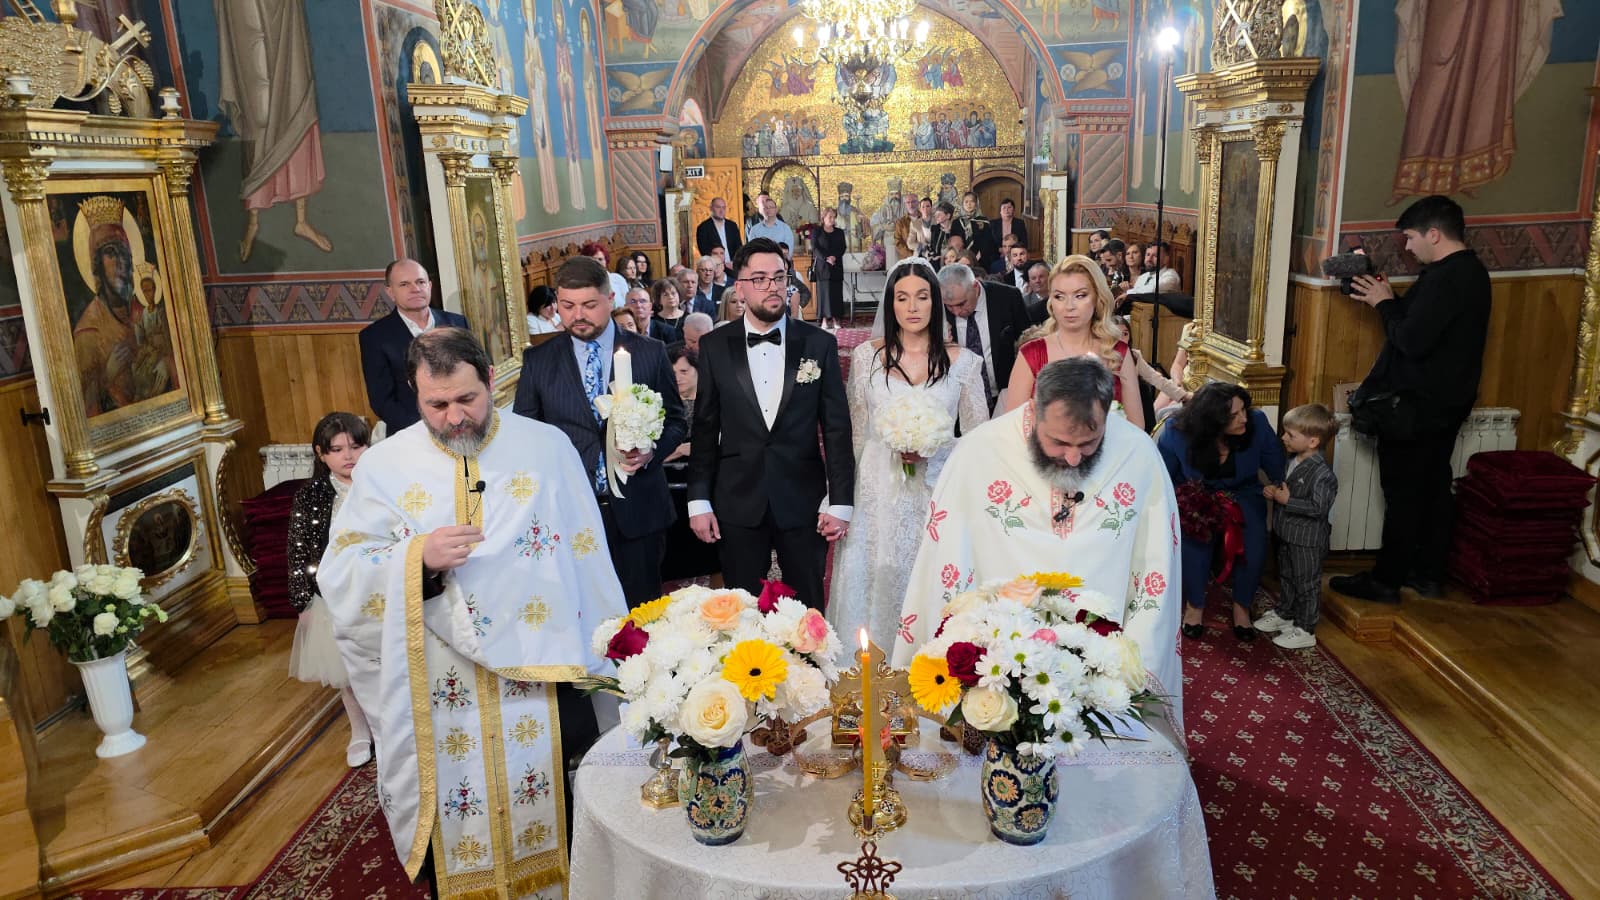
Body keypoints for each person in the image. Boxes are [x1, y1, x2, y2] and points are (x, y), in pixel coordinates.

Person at [319, 328, 626, 898]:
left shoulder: (546, 447)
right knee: (453, 803)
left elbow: (587, 555)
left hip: (541, 665)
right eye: (437, 405)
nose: (455, 417)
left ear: (491, 381)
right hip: (440, 676)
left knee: (559, 798)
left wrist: (608, 652)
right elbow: (342, 571)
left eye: (467, 399)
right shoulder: (384, 465)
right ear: (415, 395)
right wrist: (418, 558)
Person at [893, 358, 1183, 730]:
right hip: (998, 663)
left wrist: (1135, 661)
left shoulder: (1137, 454)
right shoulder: (980, 452)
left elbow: (1156, 568)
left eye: (1089, 443)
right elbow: (946, 561)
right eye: (1059, 442)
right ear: (1034, 408)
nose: (1073, 457)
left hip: (1100, 660)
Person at [1331, 195, 1491, 604]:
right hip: (1446, 402)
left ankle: (1386, 580)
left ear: (1433, 234)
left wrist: (1384, 304)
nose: (1407, 246)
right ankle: (1427, 573)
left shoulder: (1445, 279)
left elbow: (1411, 341)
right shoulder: (1470, 272)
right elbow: (1427, 329)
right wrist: (1389, 300)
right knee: (1433, 489)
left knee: (1403, 494)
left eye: (1410, 237)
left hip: (1415, 407)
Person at [687, 237, 855, 609]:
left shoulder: (818, 344)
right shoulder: (715, 346)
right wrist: (698, 500)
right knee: (741, 613)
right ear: (740, 289)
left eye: (779, 277)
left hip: (802, 498)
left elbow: (837, 429)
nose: (773, 287)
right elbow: (705, 428)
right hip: (737, 499)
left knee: (807, 611)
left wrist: (841, 501)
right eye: (760, 279)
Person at [830, 259, 988, 643]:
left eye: (921, 297)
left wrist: (933, 447)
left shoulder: (964, 363)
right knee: (876, 576)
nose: (912, 307)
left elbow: (979, 440)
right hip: (876, 492)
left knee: (930, 576)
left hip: (935, 492)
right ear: (891, 304)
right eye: (902, 298)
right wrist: (839, 497)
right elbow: (856, 434)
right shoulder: (866, 357)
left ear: (936, 302)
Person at [515, 256, 687, 607]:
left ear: (610, 299)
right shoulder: (539, 361)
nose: (577, 315)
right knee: (584, 612)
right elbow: (526, 435)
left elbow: (676, 421)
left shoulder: (650, 353)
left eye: (589, 305)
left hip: (638, 508)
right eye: (567, 306)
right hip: (571, 512)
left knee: (642, 614)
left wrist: (651, 452)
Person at [1157, 382, 1286, 642]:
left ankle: (1242, 607)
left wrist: (1282, 486)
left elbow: (1276, 464)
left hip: (1243, 492)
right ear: (1212, 419)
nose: (1244, 418)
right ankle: (1195, 606)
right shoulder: (1176, 431)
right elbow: (1163, 476)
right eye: (1234, 415)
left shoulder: (1257, 423)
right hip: (1198, 494)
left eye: (1244, 410)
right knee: (1194, 543)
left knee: (1255, 541)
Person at [286, 411, 374, 768]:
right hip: (333, 596)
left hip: (378, 589)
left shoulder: (382, 484)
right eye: (337, 450)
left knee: (383, 665)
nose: (348, 456)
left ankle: (390, 727)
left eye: (356, 446)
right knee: (345, 670)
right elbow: (298, 550)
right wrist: (303, 602)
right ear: (321, 454)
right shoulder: (312, 496)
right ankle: (359, 730)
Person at [1005, 255, 1143, 427]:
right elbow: (1012, 426)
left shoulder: (1117, 352)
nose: (1069, 306)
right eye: (1059, 296)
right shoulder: (1032, 353)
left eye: (1080, 295)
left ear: (1097, 297)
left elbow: (1137, 426)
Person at [1255, 403, 1339, 650]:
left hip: (1307, 540)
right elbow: (1285, 487)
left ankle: (1305, 628)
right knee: (1288, 576)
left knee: (1306, 583)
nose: (1283, 437)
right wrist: (1274, 491)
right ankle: (1286, 613)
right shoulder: (1291, 460)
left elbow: (1318, 508)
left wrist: (1287, 501)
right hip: (1286, 533)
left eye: (1290, 435)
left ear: (1313, 442)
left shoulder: (1323, 474)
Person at [360, 258, 468, 435]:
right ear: (390, 292)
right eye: (404, 284)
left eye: (420, 282)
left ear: (429, 286)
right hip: (412, 433)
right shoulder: (374, 337)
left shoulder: (457, 323)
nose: (415, 289)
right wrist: (423, 430)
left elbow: (476, 375)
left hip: (464, 425)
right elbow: (381, 400)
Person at [937, 263, 1029, 413]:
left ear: (975, 287)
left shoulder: (1008, 297)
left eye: (961, 304)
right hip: (960, 403)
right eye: (949, 306)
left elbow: (1027, 341)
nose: (956, 312)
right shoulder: (938, 310)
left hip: (1006, 395)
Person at [812, 206, 847, 331]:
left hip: (836, 266)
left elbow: (842, 247)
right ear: (823, 218)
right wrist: (826, 258)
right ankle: (824, 320)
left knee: (836, 294)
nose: (832, 219)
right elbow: (815, 248)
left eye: (834, 217)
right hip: (823, 267)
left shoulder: (839, 232)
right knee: (824, 294)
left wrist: (834, 257)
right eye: (830, 217)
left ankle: (836, 319)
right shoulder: (817, 231)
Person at [664, 343, 697, 464]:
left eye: (684, 371)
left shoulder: (714, 403)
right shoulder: (660, 407)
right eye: (673, 373)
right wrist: (680, 450)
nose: (677, 378)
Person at [582, 242, 630, 308]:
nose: (597, 263)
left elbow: (628, 303)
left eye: (600, 259)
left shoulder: (618, 279)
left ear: (606, 261)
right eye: (593, 260)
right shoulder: (582, 284)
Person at [696, 196, 744, 260]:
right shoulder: (703, 228)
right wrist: (718, 263)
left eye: (723, 207)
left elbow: (739, 247)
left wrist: (735, 262)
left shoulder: (732, 226)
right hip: (714, 264)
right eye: (718, 207)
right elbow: (704, 251)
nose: (721, 210)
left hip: (733, 263)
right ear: (711, 208)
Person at [1023, 260, 1050, 325]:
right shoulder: (1025, 302)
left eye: (1041, 277)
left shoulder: (1058, 297)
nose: (1037, 281)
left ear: (1049, 277)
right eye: (1033, 278)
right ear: (1029, 282)